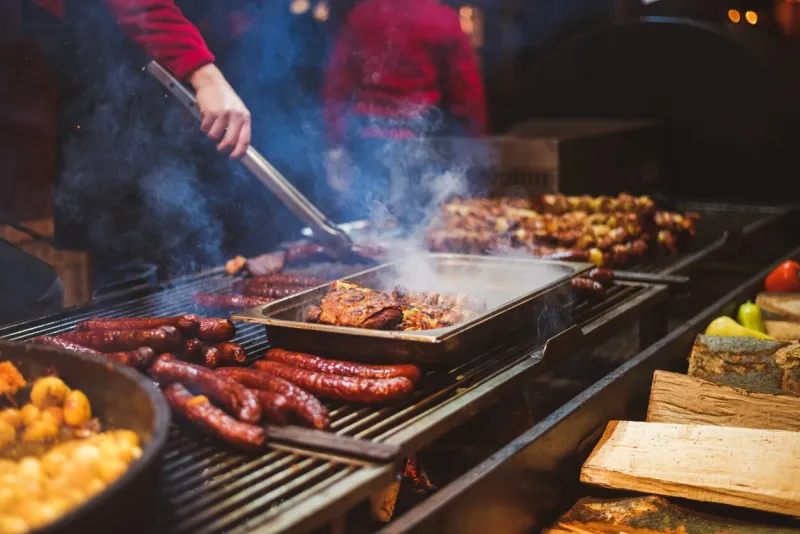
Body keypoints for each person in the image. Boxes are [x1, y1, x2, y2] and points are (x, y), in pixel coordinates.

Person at [23, 0, 262, 288]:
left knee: (166, 230)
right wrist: (206, 76)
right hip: (107, 87)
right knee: (126, 242)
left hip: (138, 93)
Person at [322, 0, 488, 225]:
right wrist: (476, 144)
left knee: (369, 222)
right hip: (422, 143)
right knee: (423, 223)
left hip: (369, 144)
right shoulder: (441, 17)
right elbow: (467, 93)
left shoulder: (362, 15)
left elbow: (337, 86)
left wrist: (334, 146)